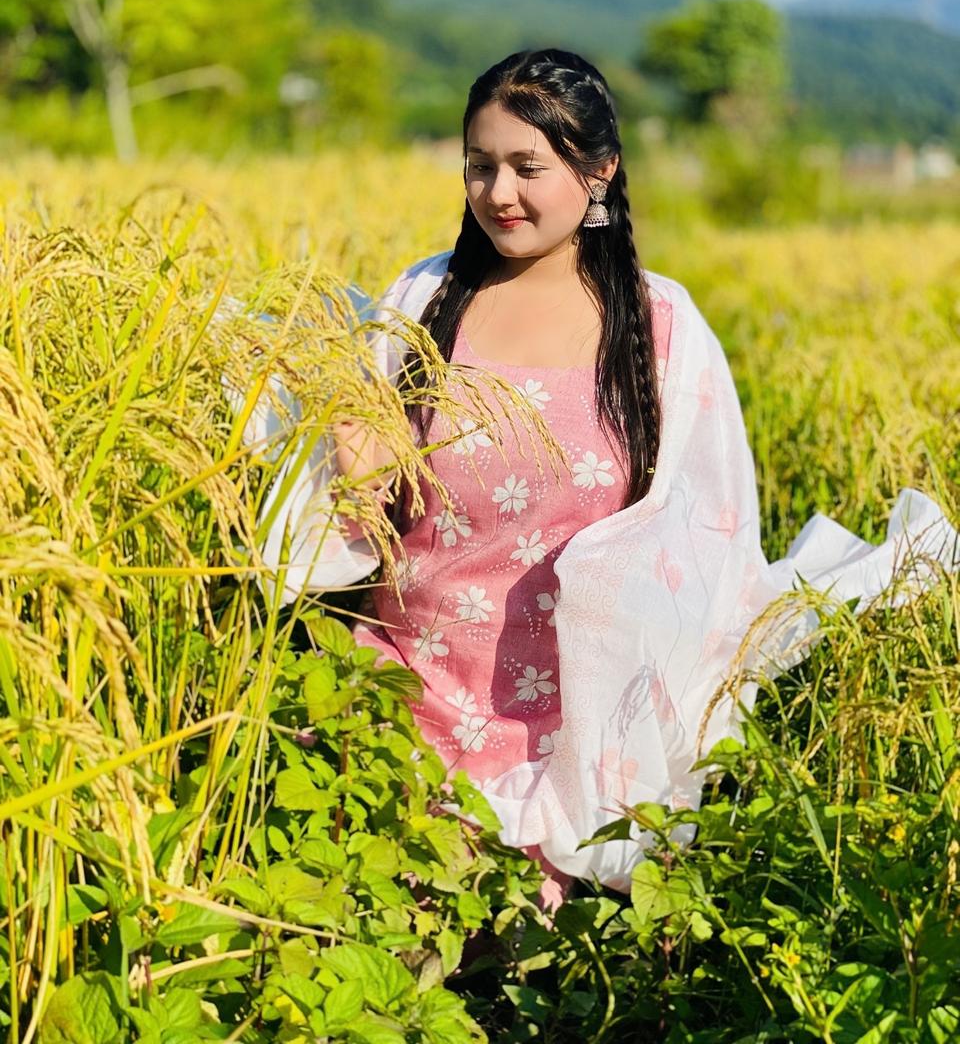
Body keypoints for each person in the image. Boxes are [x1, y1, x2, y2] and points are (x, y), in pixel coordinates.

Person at [244, 47, 959, 907]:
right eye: (479, 166)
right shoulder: (423, 297)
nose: (498, 193)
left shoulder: (662, 327)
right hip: (397, 706)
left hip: (568, 743)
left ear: (599, 171)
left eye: (526, 167)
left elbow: (705, 532)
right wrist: (347, 446)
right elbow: (351, 496)